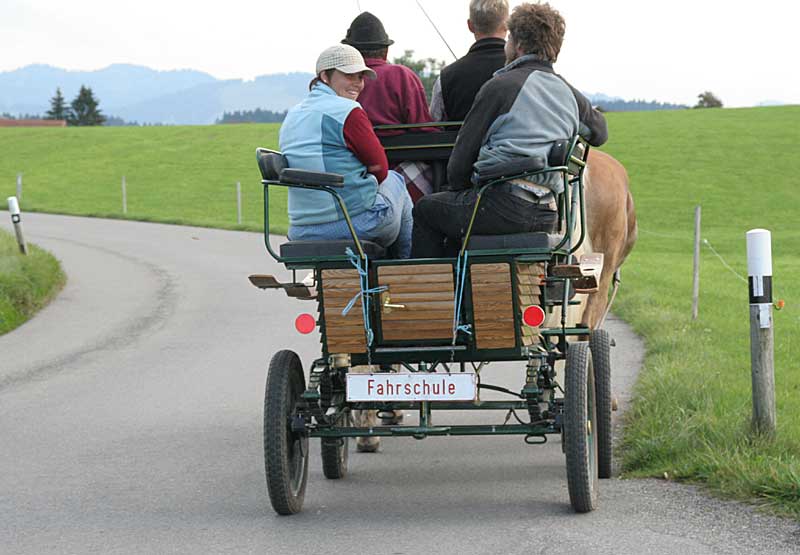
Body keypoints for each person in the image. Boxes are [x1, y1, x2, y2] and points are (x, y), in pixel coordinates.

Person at [411, 2, 608, 258]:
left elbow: (459, 164)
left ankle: (433, 295)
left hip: (500, 206)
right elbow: (600, 133)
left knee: (427, 210)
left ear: (518, 44)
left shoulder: (501, 86)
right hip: (548, 211)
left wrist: (460, 190)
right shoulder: (570, 95)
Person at [279, 44, 413, 259]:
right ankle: (406, 272)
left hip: (301, 229)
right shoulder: (348, 111)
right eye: (349, 75)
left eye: (360, 77)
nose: (357, 84)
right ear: (325, 76)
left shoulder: (293, 115)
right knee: (396, 180)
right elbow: (380, 168)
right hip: (353, 225)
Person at [342, 11, 436, 203]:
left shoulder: (340, 81)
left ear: (351, 53)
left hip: (355, 172)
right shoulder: (402, 75)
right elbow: (424, 129)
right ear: (385, 51)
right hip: (401, 171)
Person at [429, 0, 509, 122]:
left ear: (470, 26)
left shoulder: (445, 78)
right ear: (507, 24)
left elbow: (434, 124)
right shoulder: (528, 72)